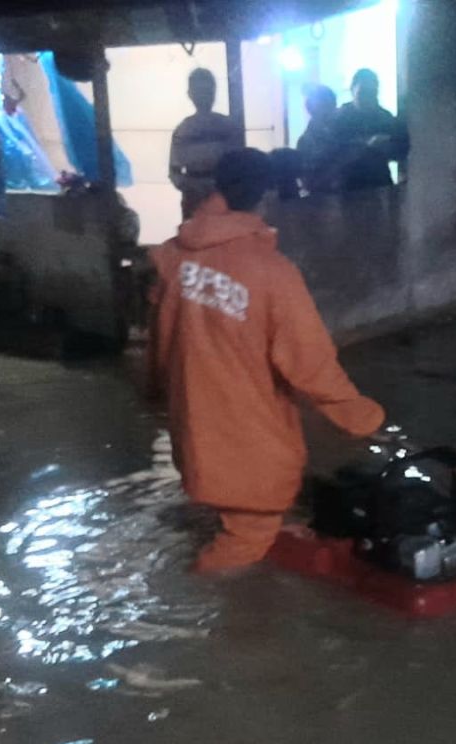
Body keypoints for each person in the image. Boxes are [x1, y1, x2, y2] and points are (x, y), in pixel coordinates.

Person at [147, 148, 385, 573]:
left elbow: (158, 339)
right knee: (248, 536)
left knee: (238, 509)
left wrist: (153, 394)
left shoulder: (173, 257)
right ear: (266, 197)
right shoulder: (272, 273)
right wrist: (363, 418)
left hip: (194, 426)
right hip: (246, 435)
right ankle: (197, 616)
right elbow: (311, 364)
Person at [169, 68, 245, 219]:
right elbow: (174, 170)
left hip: (223, 196)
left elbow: (240, 166)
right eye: (199, 90)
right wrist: (190, 188)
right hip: (199, 198)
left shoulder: (227, 126)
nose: (203, 95)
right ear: (191, 94)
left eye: (206, 90)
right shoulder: (184, 129)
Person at [333, 68, 410, 191]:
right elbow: (335, 154)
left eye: (372, 93)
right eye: (363, 92)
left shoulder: (384, 117)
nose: (367, 98)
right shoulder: (339, 118)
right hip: (349, 185)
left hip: (380, 182)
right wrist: (366, 146)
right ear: (353, 90)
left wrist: (388, 147)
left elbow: (400, 150)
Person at [296, 85, 342, 194]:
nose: (331, 110)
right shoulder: (305, 142)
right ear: (311, 108)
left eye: (332, 105)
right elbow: (307, 182)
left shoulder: (343, 134)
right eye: (325, 105)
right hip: (321, 201)